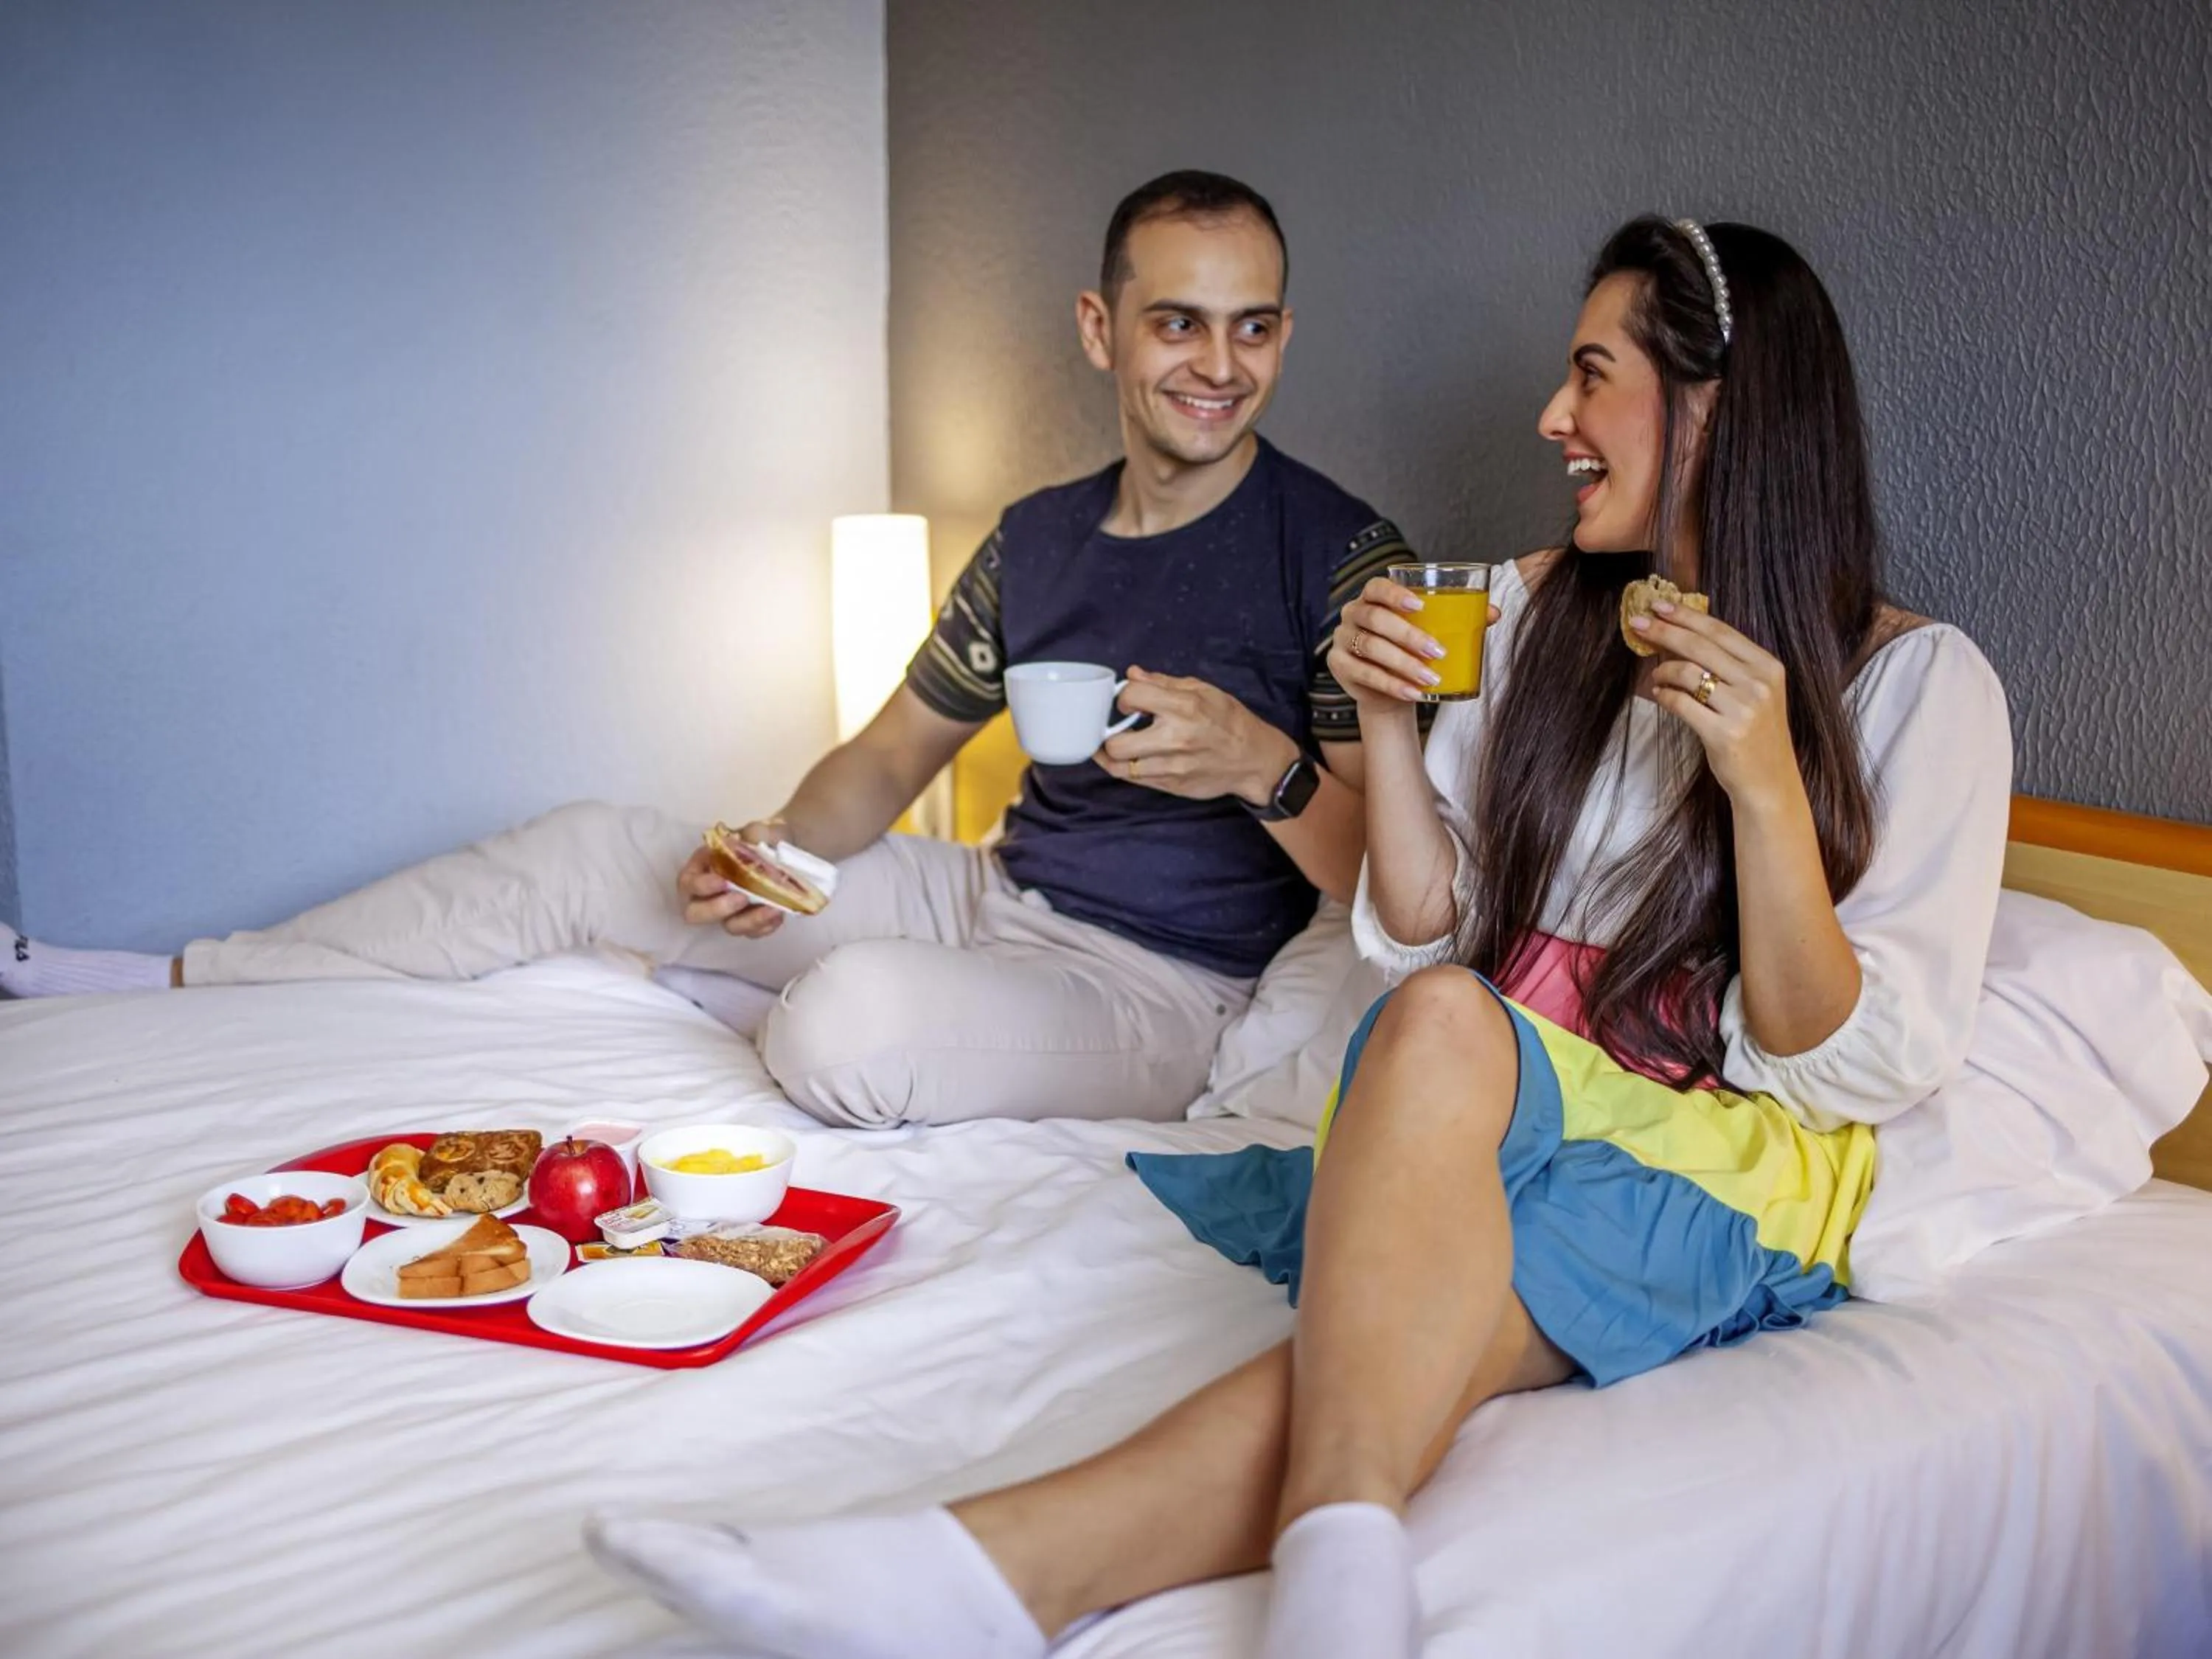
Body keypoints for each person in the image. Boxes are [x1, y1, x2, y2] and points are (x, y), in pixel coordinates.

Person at [577, 215, 2014, 1658]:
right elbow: (1423, 934)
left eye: (1592, 376)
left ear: (1714, 406)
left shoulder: (1914, 685)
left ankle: (970, 1570)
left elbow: (1855, 1070)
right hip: (1505, 1117)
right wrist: (1384, 724)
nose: (1552, 420)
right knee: (1410, 1217)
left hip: (1726, 1162)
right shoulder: (1526, 619)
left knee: (1428, 1115)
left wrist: (1762, 784)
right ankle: (1119, 1582)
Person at [1, 171, 1420, 1130]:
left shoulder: (1341, 558)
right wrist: (770, 851)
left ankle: (732, 991)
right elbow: (887, 757)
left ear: (1284, 334)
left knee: (845, 1027)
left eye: (1252, 327)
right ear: (1102, 330)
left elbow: (1392, 892)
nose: (1217, 365)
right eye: (1179, 322)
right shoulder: (1040, 537)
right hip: (990, 890)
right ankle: (186, 978)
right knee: (588, 848)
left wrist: (1261, 767)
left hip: (1161, 985)